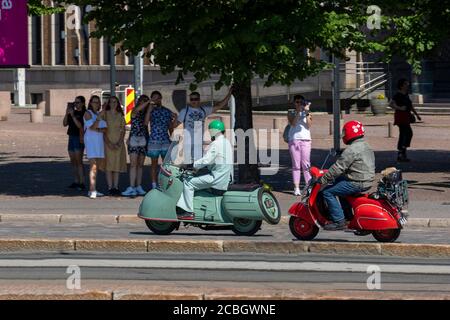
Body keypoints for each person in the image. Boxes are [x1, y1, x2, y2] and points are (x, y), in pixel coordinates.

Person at [318, 121, 375, 231]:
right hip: (366, 180)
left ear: (350, 133)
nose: (344, 135)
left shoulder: (351, 149)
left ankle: (339, 221)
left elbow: (338, 167)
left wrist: (323, 179)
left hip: (357, 182)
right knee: (338, 182)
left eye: (345, 132)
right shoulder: (366, 145)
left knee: (327, 192)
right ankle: (348, 216)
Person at [176, 120, 233, 220]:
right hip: (224, 178)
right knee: (196, 178)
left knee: (188, 183)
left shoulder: (216, 144)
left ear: (213, 131)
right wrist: (198, 168)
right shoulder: (226, 142)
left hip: (216, 179)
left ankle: (188, 212)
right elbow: (215, 160)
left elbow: (206, 160)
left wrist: (191, 165)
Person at [176, 89, 233, 163]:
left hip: (198, 143)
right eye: (192, 99)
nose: (194, 101)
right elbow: (176, 124)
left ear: (199, 100)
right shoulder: (184, 111)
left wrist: (229, 93)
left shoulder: (203, 110)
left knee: (198, 163)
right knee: (188, 163)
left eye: (196, 99)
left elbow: (219, 106)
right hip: (187, 142)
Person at [145, 91, 177, 190]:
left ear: (161, 98)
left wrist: (173, 138)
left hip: (165, 140)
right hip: (154, 140)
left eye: (157, 98)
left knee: (166, 164)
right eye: (153, 98)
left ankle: (165, 183)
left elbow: (171, 126)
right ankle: (154, 185)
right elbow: (146, 122)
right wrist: (149, 109)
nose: (156, 100)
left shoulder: (167, 111)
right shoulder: (150, 110)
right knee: (154, 164)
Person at [122, 95, 150, 197]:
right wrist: (148, 102)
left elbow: (146, 123)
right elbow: (136, 110)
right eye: (142, 101)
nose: (144, 103)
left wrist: (149, 109)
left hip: (143, 138)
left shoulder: (146, 112)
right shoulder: (134, 110)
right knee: (133, 164)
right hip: (134, 138)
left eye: (145, 101)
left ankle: (138, 186)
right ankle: (131, 186)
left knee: (140, 165)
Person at [389, 78, 422, 162]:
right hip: (400, 116)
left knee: (406, 133)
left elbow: (410, 106)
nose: (408, 85)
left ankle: (402, 151)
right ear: (402, 85)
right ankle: (401, 152)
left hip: (407, 116)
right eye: (406, 84)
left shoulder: (406, 94)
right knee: (406, 133)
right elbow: (391, 104)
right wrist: (399, 108)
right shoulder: (398, 95)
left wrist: (417, 115)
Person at [101, 96, 127, 196]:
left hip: (118, 143)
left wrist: (120, 142)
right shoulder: (105, 115)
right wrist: (108, 143)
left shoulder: (120, 115)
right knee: (108, 166)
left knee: (116, 165)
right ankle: (109, 187)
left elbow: (123, 129)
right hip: (107, 142)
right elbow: (102, 130)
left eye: (115, 102)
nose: (113, 104)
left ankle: (115, 187)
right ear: (108, 103)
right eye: (111, 102)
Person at [287, 95, 313, 196]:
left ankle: (309, 186)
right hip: (294, 140)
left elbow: (309, 125)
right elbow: (293, 123)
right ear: (294, 103)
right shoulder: (291, 112)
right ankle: (296, 188)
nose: (299, 104)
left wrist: (306, 111)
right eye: (297, 102)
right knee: (296, 165)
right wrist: (298, 111)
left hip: (306, 140)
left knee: (306, 164)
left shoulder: (307, 113)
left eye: (301, 102)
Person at [84, 95, 107, 199]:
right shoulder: (87, 113)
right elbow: (92, 127)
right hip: (91, 141)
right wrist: (98, 120)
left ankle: (92, 189)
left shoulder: (99, 113)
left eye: (98, 102)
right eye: (94, 102)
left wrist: (97, 128)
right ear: (90, 103)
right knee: (93, 165)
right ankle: (92, 189)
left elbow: (105, 128)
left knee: (96, 166)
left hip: (99, 141)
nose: (96, 104)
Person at [63, 96, 86, 191]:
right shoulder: (73, 112)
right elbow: (64, 124)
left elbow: (80, 126)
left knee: (79, 161)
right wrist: (66, 113)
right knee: (73, 161)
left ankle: (82, 182)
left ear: (83, 103)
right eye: (75, 102)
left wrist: (73, 116)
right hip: (71, 137)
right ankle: (76, 181)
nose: (76, 104)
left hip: (78, 138)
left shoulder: (84, 113)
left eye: (78, 102)